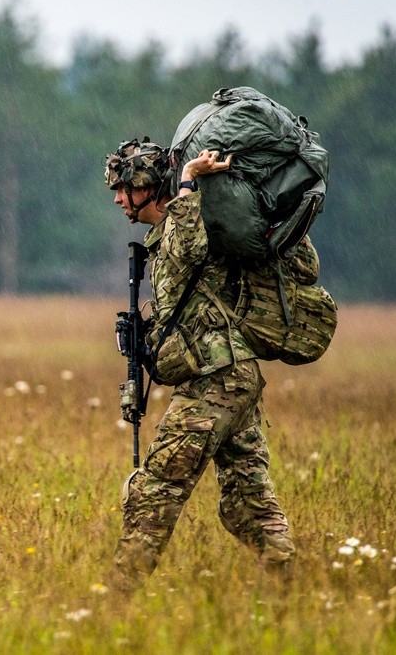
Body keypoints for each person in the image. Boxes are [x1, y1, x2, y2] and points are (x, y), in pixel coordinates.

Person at [103, 139, 295, 587]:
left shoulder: (182, 223)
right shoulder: (168, 234)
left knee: (155, 490)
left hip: (216, 381)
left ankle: (115, 597)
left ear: (148, 187)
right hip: (233, 378)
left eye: (124, 187)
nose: (118, 199)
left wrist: (188, 179)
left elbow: (187, 244)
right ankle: (287, 585)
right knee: (246, 502)